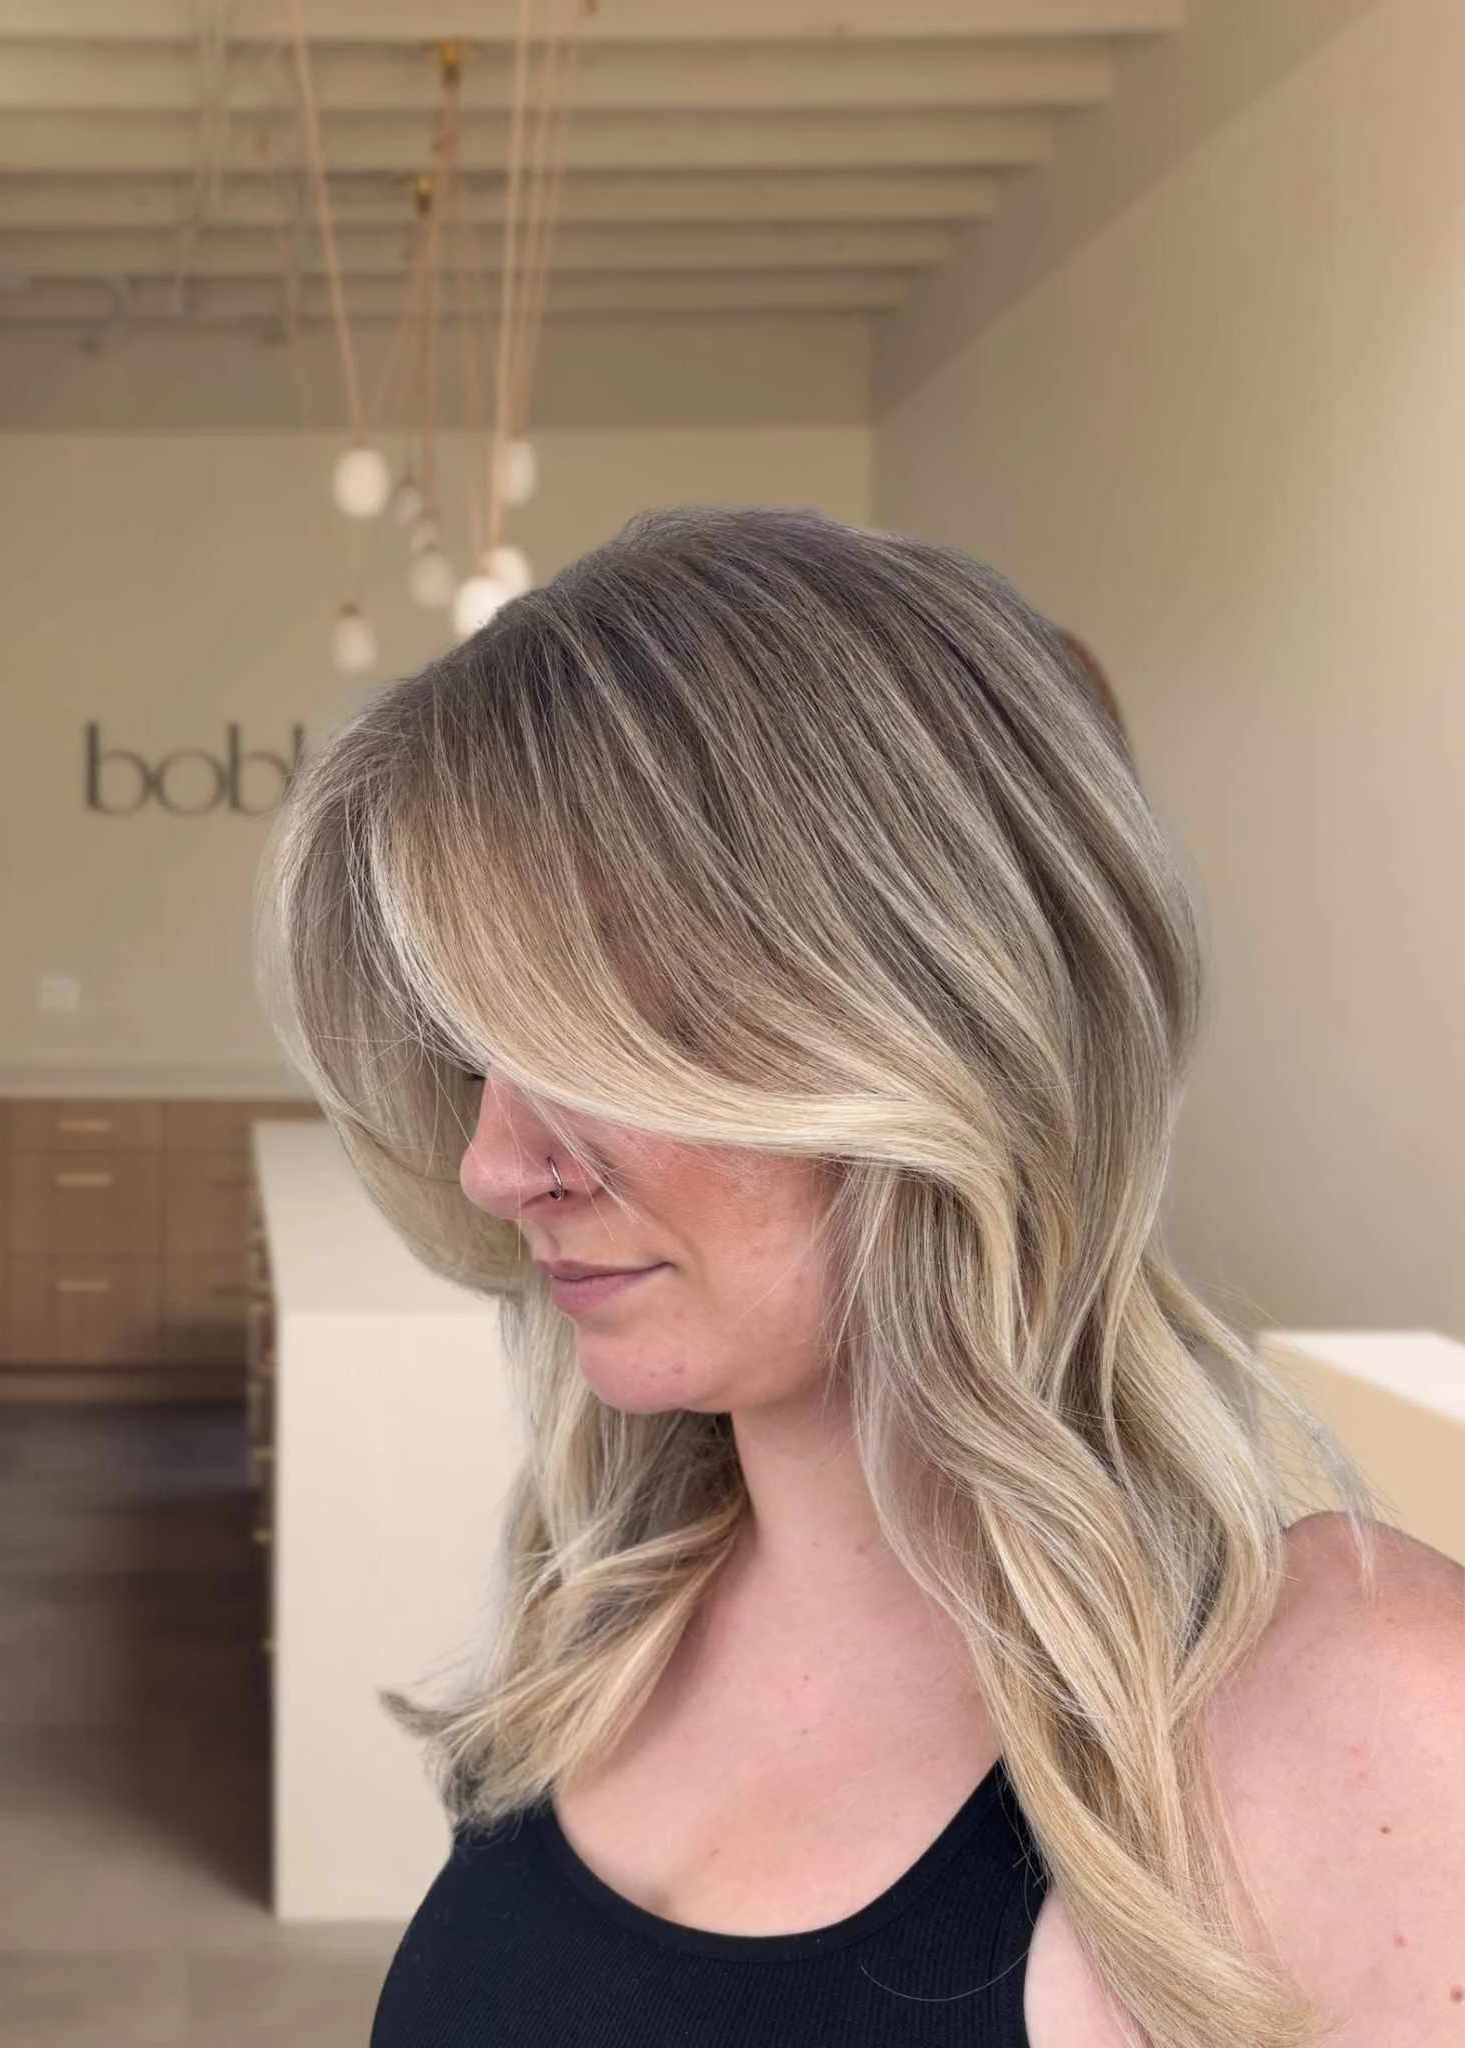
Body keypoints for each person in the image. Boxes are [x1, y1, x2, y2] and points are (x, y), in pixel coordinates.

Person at [255, 506, 1463, 2048]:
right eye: (486, 1045)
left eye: (609, 1024)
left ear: (939, 1014)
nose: (501, 1164)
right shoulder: (610, 1607)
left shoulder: (1371, 1724)